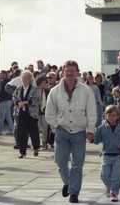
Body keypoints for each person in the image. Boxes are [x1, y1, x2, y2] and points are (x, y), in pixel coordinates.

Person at [45, 60, 97, 203]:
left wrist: (90, 129)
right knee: (60, 162)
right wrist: (57, 126)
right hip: (62, 131)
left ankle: (74, 192)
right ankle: (68, 182)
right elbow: (49, 113)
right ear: (62, 72)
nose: (69, 73)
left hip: (79, 131)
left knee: (77, 164)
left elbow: (92, 111)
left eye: (72, 71)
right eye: (67, 71)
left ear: (77, 73)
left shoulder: (86, 90)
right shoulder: (54, 92)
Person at [92, 105, 120, 202]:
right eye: (109, 115)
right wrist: (91, 137)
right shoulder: (101, 128)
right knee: (104, 175)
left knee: (116, 176)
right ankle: (109, 187)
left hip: (118, 155)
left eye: (114, 115)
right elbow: (97, 140)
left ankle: (114, 192)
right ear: (105, 116)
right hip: (106, 155)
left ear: (118, 116)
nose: (111, 117)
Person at [12, 70, 40, 158]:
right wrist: (18, 103)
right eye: (23, 78)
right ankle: (22, 152)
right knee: (21, 133)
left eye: (26, 78)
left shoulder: (34, 89)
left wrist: (27, 102)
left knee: (33, 132)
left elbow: (36, 100)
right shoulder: (18, 88)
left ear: (30, 79)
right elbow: (14, 97)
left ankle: (35, 148)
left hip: (31, 114)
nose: (24, 80)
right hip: (21, 113)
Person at [0, 70, 14, 135]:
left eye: (1, 73)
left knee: (1, 116)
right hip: (8, 100)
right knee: (7, 116)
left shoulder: (5, 81)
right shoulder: (8, 81)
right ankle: (12, 129)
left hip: (4, 100)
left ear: (5, 74)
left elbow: (3, 91)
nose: (0, 74)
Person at [36, 75, 50, 150]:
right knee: (36, 128)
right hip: (36, 112)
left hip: (45, 112)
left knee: (45, 128)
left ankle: (44, 142)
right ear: (40, 82)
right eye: (44, 82)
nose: (45, 83)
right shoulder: (34, 90)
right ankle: (37, 143)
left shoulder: (47, 91)